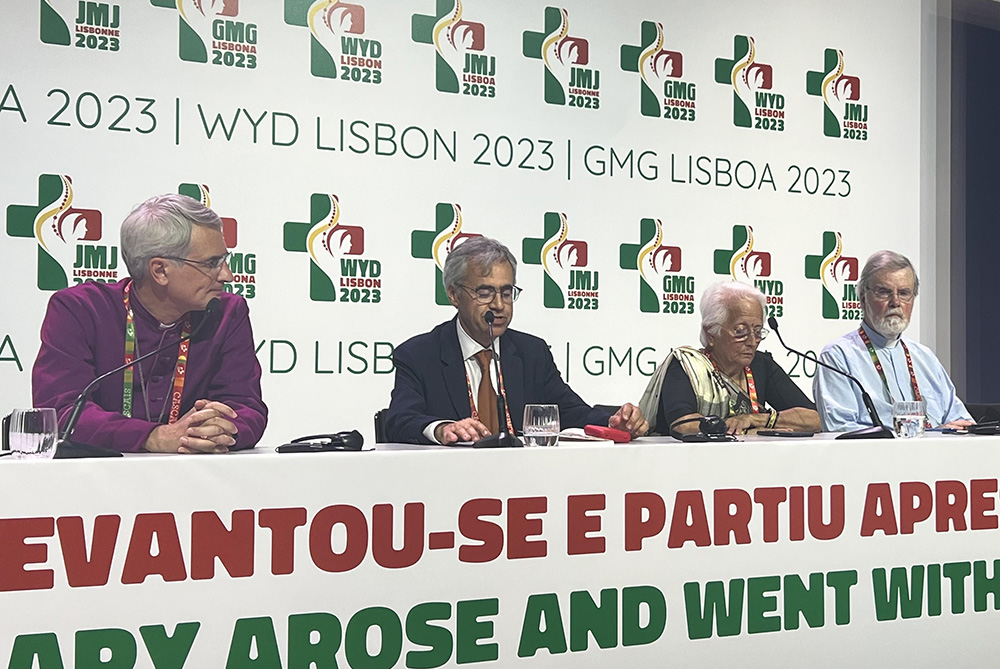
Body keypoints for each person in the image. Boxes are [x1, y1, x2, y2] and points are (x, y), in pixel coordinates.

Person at [32, 194, 268, 453]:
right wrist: (154, 437)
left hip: (196, 479)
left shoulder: (227, 312)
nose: (228, 275)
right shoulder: (79, 309)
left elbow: (247, 407)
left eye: (225, 260)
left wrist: (216, 429)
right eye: (212, 263)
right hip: (98, 481)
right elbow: (61, 413)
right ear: (160, 271)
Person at [386, 236, 648, 444]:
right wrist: (443, 429)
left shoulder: (531, 353)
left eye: (507, 292)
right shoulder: (420, 355)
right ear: (453, 294)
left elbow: (572, 412)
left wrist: (614, 421)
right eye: (485, 292)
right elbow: (400, 419)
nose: (499, 305)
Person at [813, 250, 973, 432]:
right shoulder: (838, 357)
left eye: (904, 293)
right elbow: (841, 431)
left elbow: (962, 422)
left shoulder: (925, 358)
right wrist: (932, 433)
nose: (895, 302)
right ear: (863, 298)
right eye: (884, 292)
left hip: (936, 458)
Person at [640, 281, 821, 436]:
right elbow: (684, 425)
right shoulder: (687, 366)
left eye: (758, 332)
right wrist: (747, 433)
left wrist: (755, 420)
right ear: (711, 333)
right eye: (740, 331)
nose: (752, 342)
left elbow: (816, 419)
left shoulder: (761, 365)